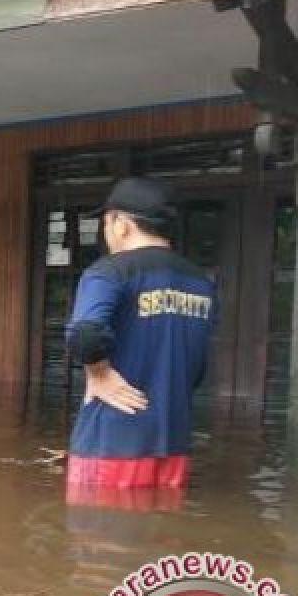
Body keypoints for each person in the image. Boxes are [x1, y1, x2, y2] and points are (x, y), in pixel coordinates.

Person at [65, 176, 216, 494]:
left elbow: (85, 334)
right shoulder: (201, 282)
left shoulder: (110, 271)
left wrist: (99, 373)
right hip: (174, 444)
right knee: (160, 536)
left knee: (95, 536)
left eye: (107, 222)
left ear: (120, 223)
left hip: (112, 441)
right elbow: (198, 367)